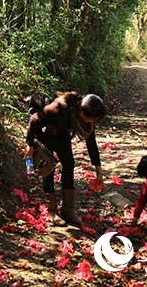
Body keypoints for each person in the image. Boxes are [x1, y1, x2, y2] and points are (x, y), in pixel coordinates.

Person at [25, 91, 106, 226]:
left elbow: (91, 143)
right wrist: (30, 145)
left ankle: (68, 209)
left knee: (69, 164)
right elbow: (34, 120)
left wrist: (99, 171)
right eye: (92, 119)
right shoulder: (58, 108)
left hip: (62, 136)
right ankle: (52, 210)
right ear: (82, 113)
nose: (93, 123)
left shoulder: (87, 119)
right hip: (45, 134)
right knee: (49, 168)